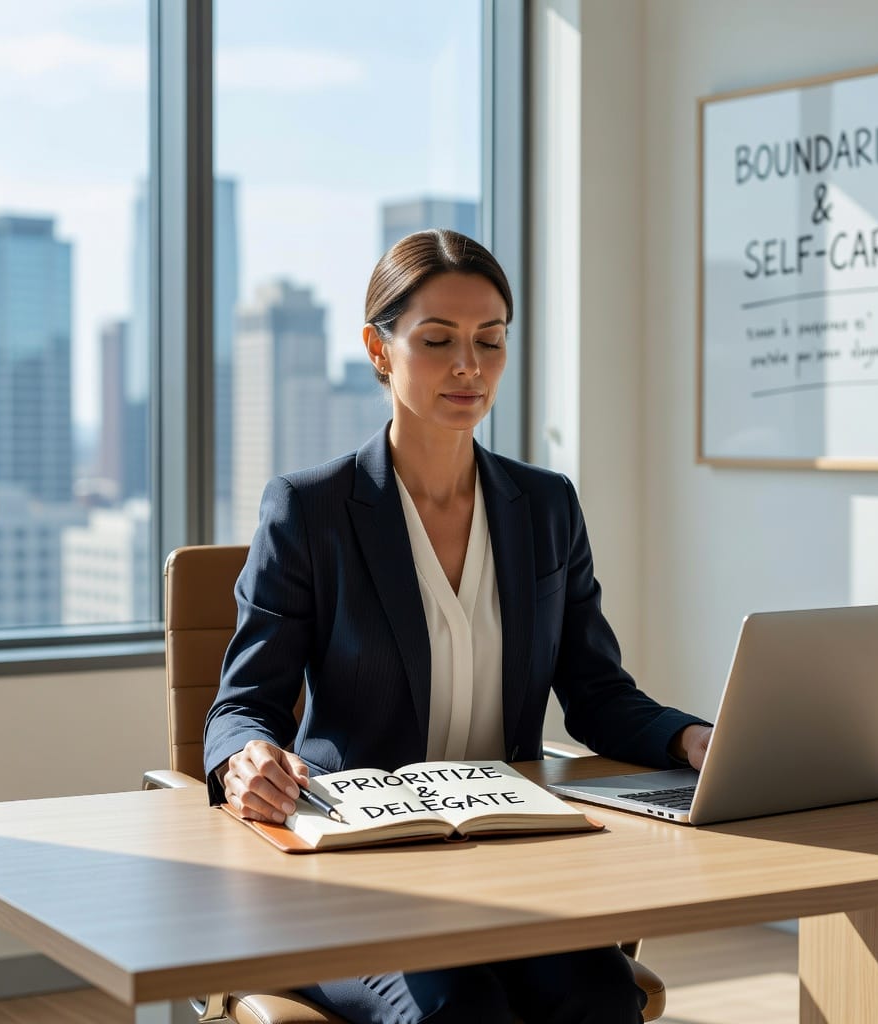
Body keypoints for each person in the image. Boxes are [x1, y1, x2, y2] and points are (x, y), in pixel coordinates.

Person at [204, 229, 713, 1024]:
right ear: (378, 349)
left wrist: (691, 740)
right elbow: (243, 703)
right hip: (361, 869)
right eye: (437, 340)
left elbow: (597, 693)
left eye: (490, 341)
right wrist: (245, 758)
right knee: (458, 1010)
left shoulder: (546, 508)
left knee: (597, 998)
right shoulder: (311, 510)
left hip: (510, 863)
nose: (468, 367)